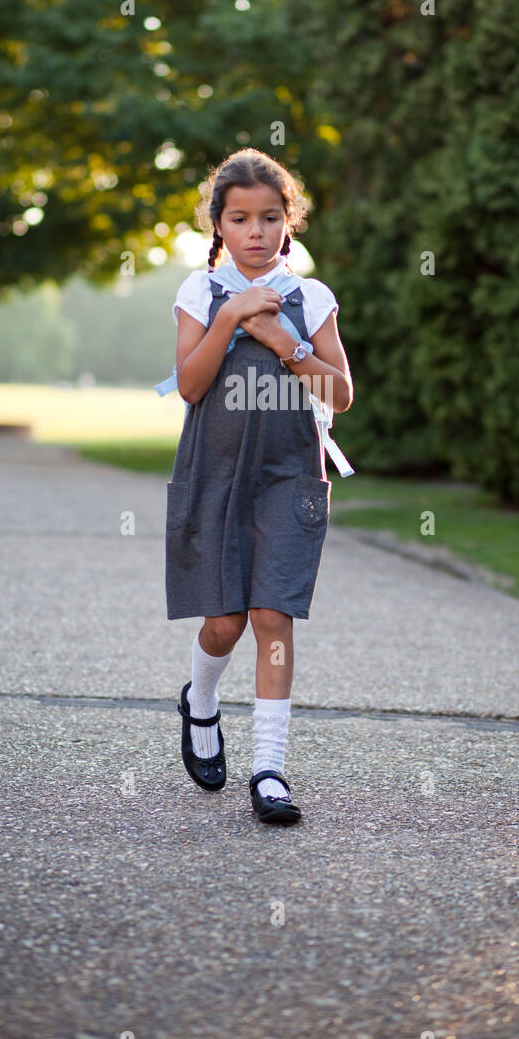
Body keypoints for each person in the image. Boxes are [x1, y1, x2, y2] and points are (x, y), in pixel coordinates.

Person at [159, 147, 353, 824]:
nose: (256, 232)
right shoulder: (199, 291)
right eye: (240, 219)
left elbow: (342, 393)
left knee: (273, 616)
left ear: (287, 223)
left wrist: (284, 340)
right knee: (225, 620)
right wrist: (231, 317)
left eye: (270, 217)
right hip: (215, 475)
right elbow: (189, 383)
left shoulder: (311, 297)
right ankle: (201, 702)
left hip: (289, 475)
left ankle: (268, 771)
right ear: (219, 226)